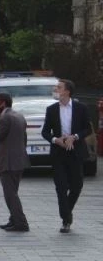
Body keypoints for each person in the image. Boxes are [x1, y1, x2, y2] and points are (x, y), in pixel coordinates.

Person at [40, 79, 91, 233]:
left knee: (77, 186)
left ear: (67, 91)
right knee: (61, 187)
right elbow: (45, 132)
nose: (56, 89)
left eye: (59, 87)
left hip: (75, 151)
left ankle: (67, 212)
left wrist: (74, 137)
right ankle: (66, 219)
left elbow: (87, 129)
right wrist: (56, 140)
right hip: (58, 153)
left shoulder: (81, 108)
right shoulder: (51, 109)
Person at [0, 92, 30, 232]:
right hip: (19, 161)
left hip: (8, 162)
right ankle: (13, 220)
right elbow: (24, 139)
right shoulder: (19, 116)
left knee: (10, 194)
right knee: (13, 192)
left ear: (2, 102)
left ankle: (21, 223)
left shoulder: (4, 118)